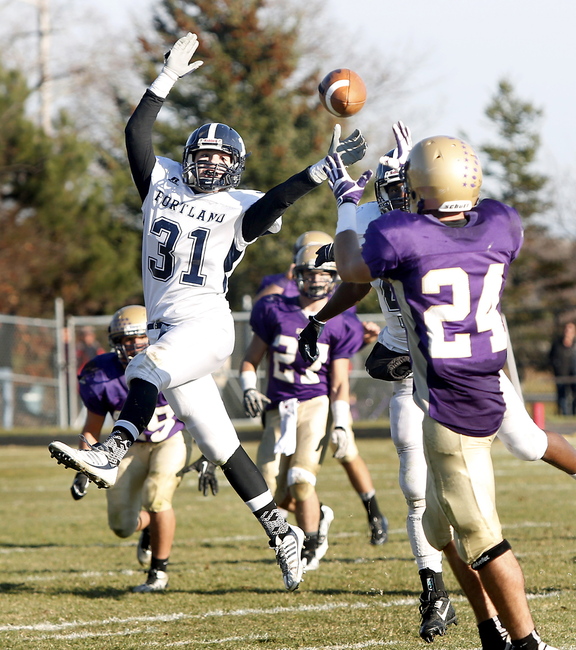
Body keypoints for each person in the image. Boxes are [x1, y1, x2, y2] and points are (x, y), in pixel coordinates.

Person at [48, 31, 367, 592]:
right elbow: (136, 133)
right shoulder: (161, 181)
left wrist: (315, 174)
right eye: (203, 156)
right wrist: (164, 79)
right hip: (173, 329)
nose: (209, 165)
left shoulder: (238, 208)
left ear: (235, 167)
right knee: (219, 443)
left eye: (221, 159)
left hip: (205, 326)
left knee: (143, 368)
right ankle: (281, 530)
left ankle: (113, 451)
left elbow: (271, 203)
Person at [322, 134, 559, 649]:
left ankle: (527, 642)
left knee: (482, 538)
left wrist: (345, 204)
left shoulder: (400, 234)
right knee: (437, 528)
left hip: (453, 412)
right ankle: (488, 631)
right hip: (485, 388)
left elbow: (350, 268)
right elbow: (455, 222)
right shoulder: (502, 223)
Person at [240, 244, 377, 571]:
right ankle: (316, 518)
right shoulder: (273, 309)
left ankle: (308, 541)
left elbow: (340, 381)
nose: (316, 280)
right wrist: (248, 388)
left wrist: (341, 422)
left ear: (334, 277)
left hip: (314, 405)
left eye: (324, 274)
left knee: (302, 478)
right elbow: (250, 359)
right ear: (297, 275)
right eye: (309, 273)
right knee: (266, 486)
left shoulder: (342, 319)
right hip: (277, 407)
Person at [69, 305, 218, 593]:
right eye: (127, 340)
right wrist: (82, 469)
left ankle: (158, 573)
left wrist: (211, 455)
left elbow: (203, 410)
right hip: (129, 446)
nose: (135, 346)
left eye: (140, 338)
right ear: (116, 344)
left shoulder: (173, 361)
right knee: (122, 525)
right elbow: (92, 426)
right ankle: (149, 528)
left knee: (157, 497)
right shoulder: (102, 375)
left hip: (172, 439)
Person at [549, 321, 576, 415]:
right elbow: (551, 357)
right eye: (566, 329)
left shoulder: (574, 345)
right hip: (561, 374)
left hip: (574, 376)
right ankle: (564, 415)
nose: (567, 332)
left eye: (570, 329)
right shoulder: (557, 344)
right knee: (562, 396)